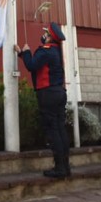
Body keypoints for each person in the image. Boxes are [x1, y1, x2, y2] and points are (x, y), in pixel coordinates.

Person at [15, 22, 71, 178]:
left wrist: (26, 53)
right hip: (59, 92)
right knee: (60, 130)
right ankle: (65, 167)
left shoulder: (45, 51)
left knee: (53, 131)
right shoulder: (56, 51)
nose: (43, 35)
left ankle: (59, 168)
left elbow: (32, 65)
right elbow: (40, 65)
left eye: (46, 33)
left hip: (48, 94)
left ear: (49, 38)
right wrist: (22, 54)